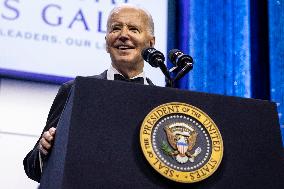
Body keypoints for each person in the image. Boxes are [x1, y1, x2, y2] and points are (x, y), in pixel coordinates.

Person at [23, 4, 156, 182]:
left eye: (133, 29)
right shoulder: (75, 91)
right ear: (107, 42)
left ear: (150, 43)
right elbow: (32, 167)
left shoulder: (160, 100)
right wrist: (44, 151)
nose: (123, 35)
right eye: (116, 28)